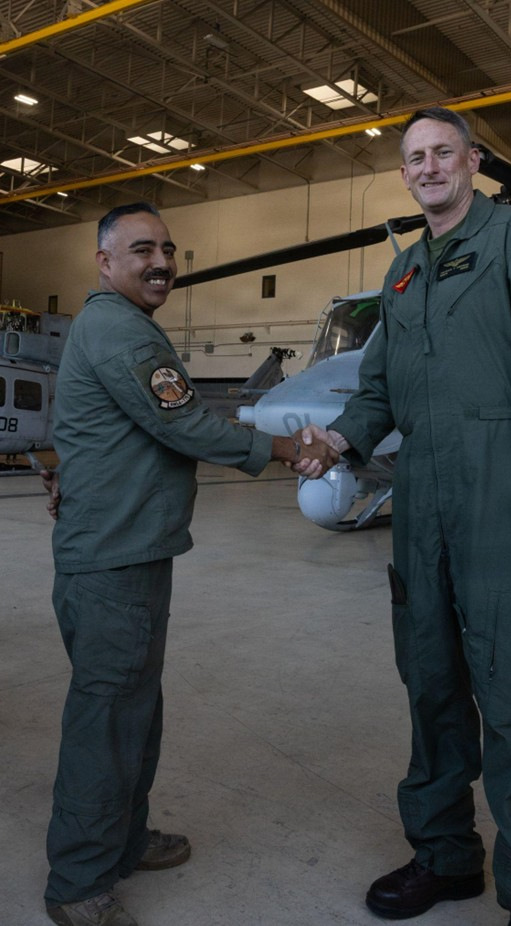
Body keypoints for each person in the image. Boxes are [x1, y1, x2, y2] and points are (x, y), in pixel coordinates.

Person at [302, 108, 511, 925]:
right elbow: (378, 392)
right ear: (403, 175)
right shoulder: (403, 274)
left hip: (504, 498)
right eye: (414, 159)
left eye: (442, 153)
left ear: (471, 161)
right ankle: (445, 857)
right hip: (423, 503)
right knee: (430, 686)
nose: (429, 167)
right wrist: (334, 440)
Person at [42, 201, 338, 926]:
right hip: (112, 559)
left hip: (130, 548)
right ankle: (79, 883)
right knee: (108, 718)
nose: (161, 262)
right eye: (142, 249)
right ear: (104, 262)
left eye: (168, 250)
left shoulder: (120, 327)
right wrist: (283, 448)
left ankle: (123, 839)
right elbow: (182, 423)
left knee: (135, 711)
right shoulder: (118, 329)